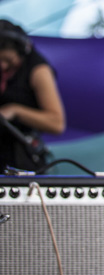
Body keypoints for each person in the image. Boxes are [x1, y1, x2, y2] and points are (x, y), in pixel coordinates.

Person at [0, 19, 66, 172]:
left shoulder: (39, 70)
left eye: (8, 60)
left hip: (21, 159)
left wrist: (15, 111)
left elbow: (57, 124)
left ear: (22, 52)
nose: (2, 66)